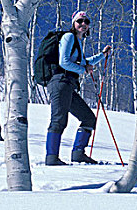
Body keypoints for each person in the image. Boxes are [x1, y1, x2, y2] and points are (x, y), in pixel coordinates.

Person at [45, 10, 111, 166]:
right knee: (59, 119)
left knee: (88, 118)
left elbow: (83, 61)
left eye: (86, 22)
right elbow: (64, 62)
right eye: (79, 21)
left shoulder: (77, 42)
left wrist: (102, 55)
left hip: (68, 85)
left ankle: (78, 154)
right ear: (73, 24)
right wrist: (83, 70)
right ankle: (51, 158)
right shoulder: (68, 37)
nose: (83, 24)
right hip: (60, 82)